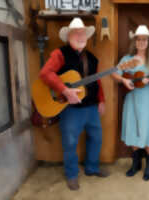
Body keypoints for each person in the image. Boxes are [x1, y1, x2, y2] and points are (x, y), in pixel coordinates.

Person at [39, 17, 109, 190]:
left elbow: (98, 81)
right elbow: (46, 73)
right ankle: (71, 175)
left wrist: (101, 100)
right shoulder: (59, 54)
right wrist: (64, 90)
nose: (80, 36)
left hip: (91, 107)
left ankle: (92, 168)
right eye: (76, 33)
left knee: (96, 138)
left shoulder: (92, 58)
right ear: (68, 36)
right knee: (70, 143)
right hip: (70, 109)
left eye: (83, 32)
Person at [112, 25, 149, 181]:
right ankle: (135, 164)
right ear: (134, 42)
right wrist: (123, 80)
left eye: (144, 39)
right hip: (134, 100)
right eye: (138, 39)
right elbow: (115, 74)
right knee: (133, 128)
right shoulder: (129, 60)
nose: (141, 42)